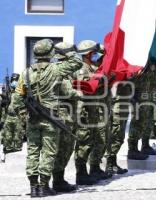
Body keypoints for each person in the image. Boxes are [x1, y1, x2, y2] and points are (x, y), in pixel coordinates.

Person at [13, 38, 83, 197]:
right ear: (51, 53)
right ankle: (43, 186)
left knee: (33, 151)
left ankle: (33, 187)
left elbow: (17, 97)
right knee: (49, 152)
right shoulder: (56, 69)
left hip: (33, 117)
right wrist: (65, 51)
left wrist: (23, 114)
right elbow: (77, 62)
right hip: (51, 118)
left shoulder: (26, 72)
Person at [74, 40, 111, 185]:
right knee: (84, 141)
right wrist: (100, 81)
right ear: (88, 53)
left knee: (95, 140)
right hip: (85, 111)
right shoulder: (81, 69)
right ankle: (81, 173)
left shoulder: (91, 67)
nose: (96, 55)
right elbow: (87, 87)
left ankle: (94, 168)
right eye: (94, 53)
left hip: (94, 109)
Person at [51, 42, 83, 192]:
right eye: (71, 52)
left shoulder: (64, 69)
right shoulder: (60, 71)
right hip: (63, 115)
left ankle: (59, 179)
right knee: (64, 148)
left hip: (67, 114)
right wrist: (84, 94)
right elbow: (67, 92)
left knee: (65, 148)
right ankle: (58, 181)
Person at [1, 73, 27, 154]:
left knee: (18, 133)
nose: (14, 82)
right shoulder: (7, 93)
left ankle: (17, 147)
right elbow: (3, 105)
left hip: (18, 116)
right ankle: (8, 147)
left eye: (16, 80)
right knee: (7, 133)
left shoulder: (21, 93)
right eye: (13, 80)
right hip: (8, 116)